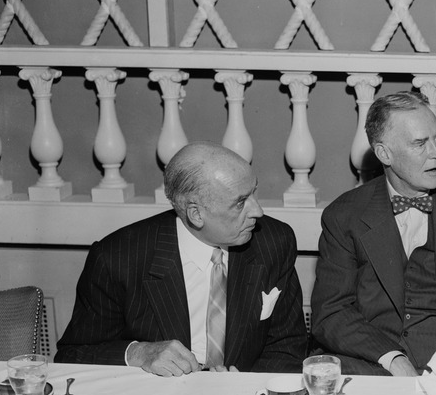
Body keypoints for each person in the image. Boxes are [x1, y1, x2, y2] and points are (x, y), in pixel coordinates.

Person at [310, 90, 436, 377]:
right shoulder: (344, 216)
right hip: (375, 368)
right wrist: (391, 358)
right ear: (384, 153)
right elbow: (331, 313)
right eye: (420, 143)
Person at [55, 142, 307, 376]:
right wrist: (138, 353)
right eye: (241, 202)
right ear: (196, 214)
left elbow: (287, 346)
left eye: (253, 193)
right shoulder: (118, 258)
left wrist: (246, 388)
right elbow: (72, 356)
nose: (258, 211)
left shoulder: (274, 242)